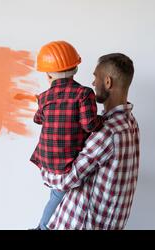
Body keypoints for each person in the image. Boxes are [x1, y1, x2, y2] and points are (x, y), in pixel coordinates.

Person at [40, 53, 139, 230]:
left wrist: (43, 167)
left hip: (80, 224)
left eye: (96, 77)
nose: (93, 83)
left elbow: (64, 181)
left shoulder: (107, 131)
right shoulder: (130, 123)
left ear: (108, 82)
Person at [30, 41, 103, 230]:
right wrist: (101, 120)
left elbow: (38, 119)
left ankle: (46, 224)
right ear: (76, 68)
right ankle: (43, 227)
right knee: (58, 195)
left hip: (46, 161)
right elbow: (90, 125)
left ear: (47, 75)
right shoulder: (84, 94)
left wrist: (44, 105)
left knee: (56, 194)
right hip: (67, 163)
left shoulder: (44, 96)